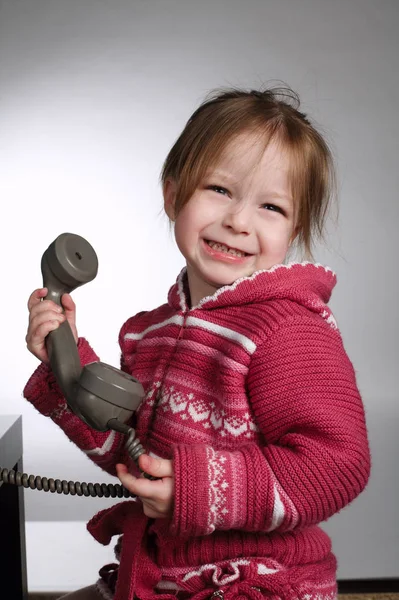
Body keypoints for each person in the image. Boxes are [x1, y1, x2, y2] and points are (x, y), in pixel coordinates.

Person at [24, 86, 371, 600]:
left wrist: (199, 489)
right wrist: (69, 366)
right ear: (173, 195)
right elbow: (133, 454)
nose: (238, 221)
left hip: (254, 582)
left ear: (294, 229)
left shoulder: (288, 330)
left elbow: (335, 464)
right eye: (220, 190)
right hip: (162, 572)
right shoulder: (149, 332)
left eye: (271, 206)